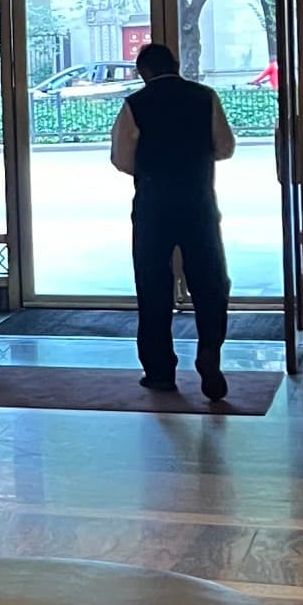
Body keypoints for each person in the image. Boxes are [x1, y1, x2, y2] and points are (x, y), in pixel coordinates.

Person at [110, 42, 236, 399]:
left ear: (142, 72)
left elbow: (121, 158)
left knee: (153, 287)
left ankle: (160, 371)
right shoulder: (205, 97)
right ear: (176, 65)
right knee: (210, 283)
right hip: (198, 203)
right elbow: (224, 146)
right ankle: (209, 350)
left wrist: (150, 171)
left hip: (153, 206)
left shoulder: (135, 105)